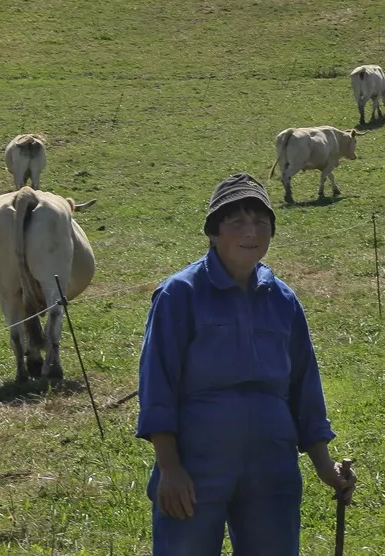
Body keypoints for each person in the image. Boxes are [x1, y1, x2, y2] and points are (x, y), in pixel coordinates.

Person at [135, 172, 356, 555]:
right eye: (236, 221)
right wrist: (169, 467)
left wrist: (324, 464)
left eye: (260, 222)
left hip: (272, 464)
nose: (250, 231)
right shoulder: (180, 294)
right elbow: (158, 384)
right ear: (213, 231)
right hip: (198, 463)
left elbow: (304, 386)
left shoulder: (282, 299)